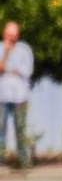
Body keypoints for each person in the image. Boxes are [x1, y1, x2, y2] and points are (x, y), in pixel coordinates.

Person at [0, 21, 34, 166]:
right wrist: (6, 54)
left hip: (20, 96)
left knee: (20, 128)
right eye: (9, 34)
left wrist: (11, 70)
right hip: (2, 95)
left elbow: (27, 71)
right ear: (4, 34)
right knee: (1, 128)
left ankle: (23, 159)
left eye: (14, 34)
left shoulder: (24, 49)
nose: (11, 37)